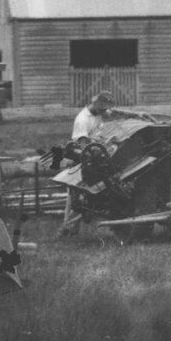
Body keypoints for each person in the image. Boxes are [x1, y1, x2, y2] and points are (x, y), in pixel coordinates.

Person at [60, 91, 115, 236]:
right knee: (77, 196)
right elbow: (83, 144)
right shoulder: (82, 119)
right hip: (82, 156)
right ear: (95, 106)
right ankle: (66, 227)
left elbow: (113, 114)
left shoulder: (98, 113)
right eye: (102, 109)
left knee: (84, 195)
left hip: (95, 153)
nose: (104, 112)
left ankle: (72, 228)